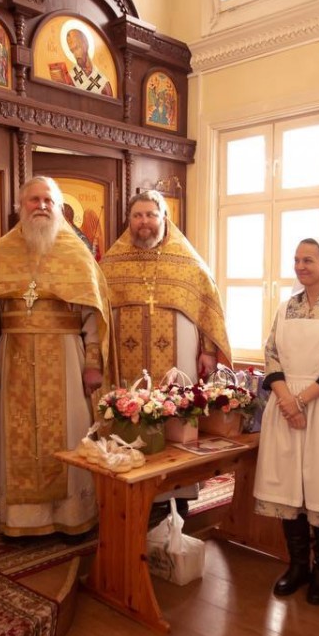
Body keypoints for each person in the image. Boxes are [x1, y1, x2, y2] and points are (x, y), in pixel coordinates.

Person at [0, 177, 110, 539]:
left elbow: (92, 313)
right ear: (21, 206)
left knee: (70, 435)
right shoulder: (4, 251)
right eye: (34, 200)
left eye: (48, 200)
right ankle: (23, 522)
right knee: (16, 439)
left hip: (67, 357)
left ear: (59, 207)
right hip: (12, 359)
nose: (41, 206)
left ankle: (72, 516)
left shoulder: (76, 253)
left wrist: (93, 364)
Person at [101, 190, 232, 524]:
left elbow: (207, 305)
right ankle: (131, 489)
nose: (144, 222)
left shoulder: (187, 262)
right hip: (127, 359)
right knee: (130, 413)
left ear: (164, 218)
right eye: (137, 215)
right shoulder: (112, 263)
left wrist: (208, 350)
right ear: (129, 220)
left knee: (177, 415)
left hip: (178, 355)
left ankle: (179, 492)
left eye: (150, 214)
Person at [253, 236, 319, 606]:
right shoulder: (287, 307)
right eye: (297, 260)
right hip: (285, 406)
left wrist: (300, 401)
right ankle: (298, 566)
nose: (300, 266)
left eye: (308, 260)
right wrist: (286, 400)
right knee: (289, 487)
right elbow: (271, 353)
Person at [55, 28, 113, 96]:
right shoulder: (71, 76)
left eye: (77, 48)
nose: (75, 55)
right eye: (72, 51)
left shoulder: (103, 83)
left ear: (85, 44)